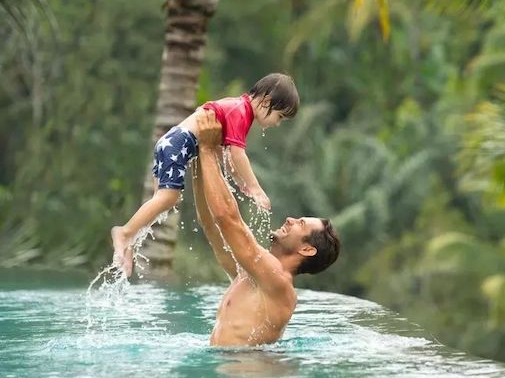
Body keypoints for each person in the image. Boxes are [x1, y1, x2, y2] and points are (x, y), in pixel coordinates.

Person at [111, 73, 299, 277]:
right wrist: (255, 188)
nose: (277, 123)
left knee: (162, 202)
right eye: (279, 116)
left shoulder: (238, 107)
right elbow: (237, 154)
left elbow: (222, 152)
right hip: (178, 144)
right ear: (266, 101)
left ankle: (129, 244)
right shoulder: (241, 111)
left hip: (170, 142)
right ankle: (123, 233)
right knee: (168, 198)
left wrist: (238, 180)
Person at [193, 109, 341, 346]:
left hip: (250, 375)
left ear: (307, 249)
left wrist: (208, 150)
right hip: (232, 370)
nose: (291, 219)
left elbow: (228, 219)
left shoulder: (279, 282)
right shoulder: (252, 274)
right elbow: (212, 225)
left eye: (300, 224)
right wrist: (198, 164)